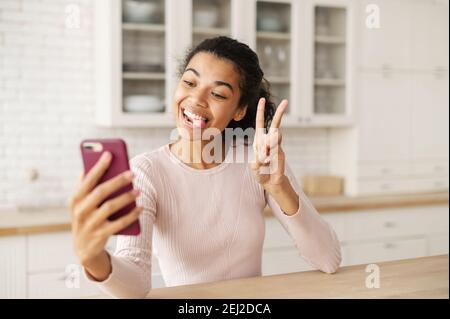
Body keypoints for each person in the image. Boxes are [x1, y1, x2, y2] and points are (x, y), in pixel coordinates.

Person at [68, 37, 341, 298]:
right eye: (189, 82)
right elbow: (136, 285)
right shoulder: (146, 172)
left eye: (219, 94)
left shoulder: (259, 161)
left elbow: (328, 259)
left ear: (239, 110)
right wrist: (94, 259)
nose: (196, 99)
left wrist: (279, 187)